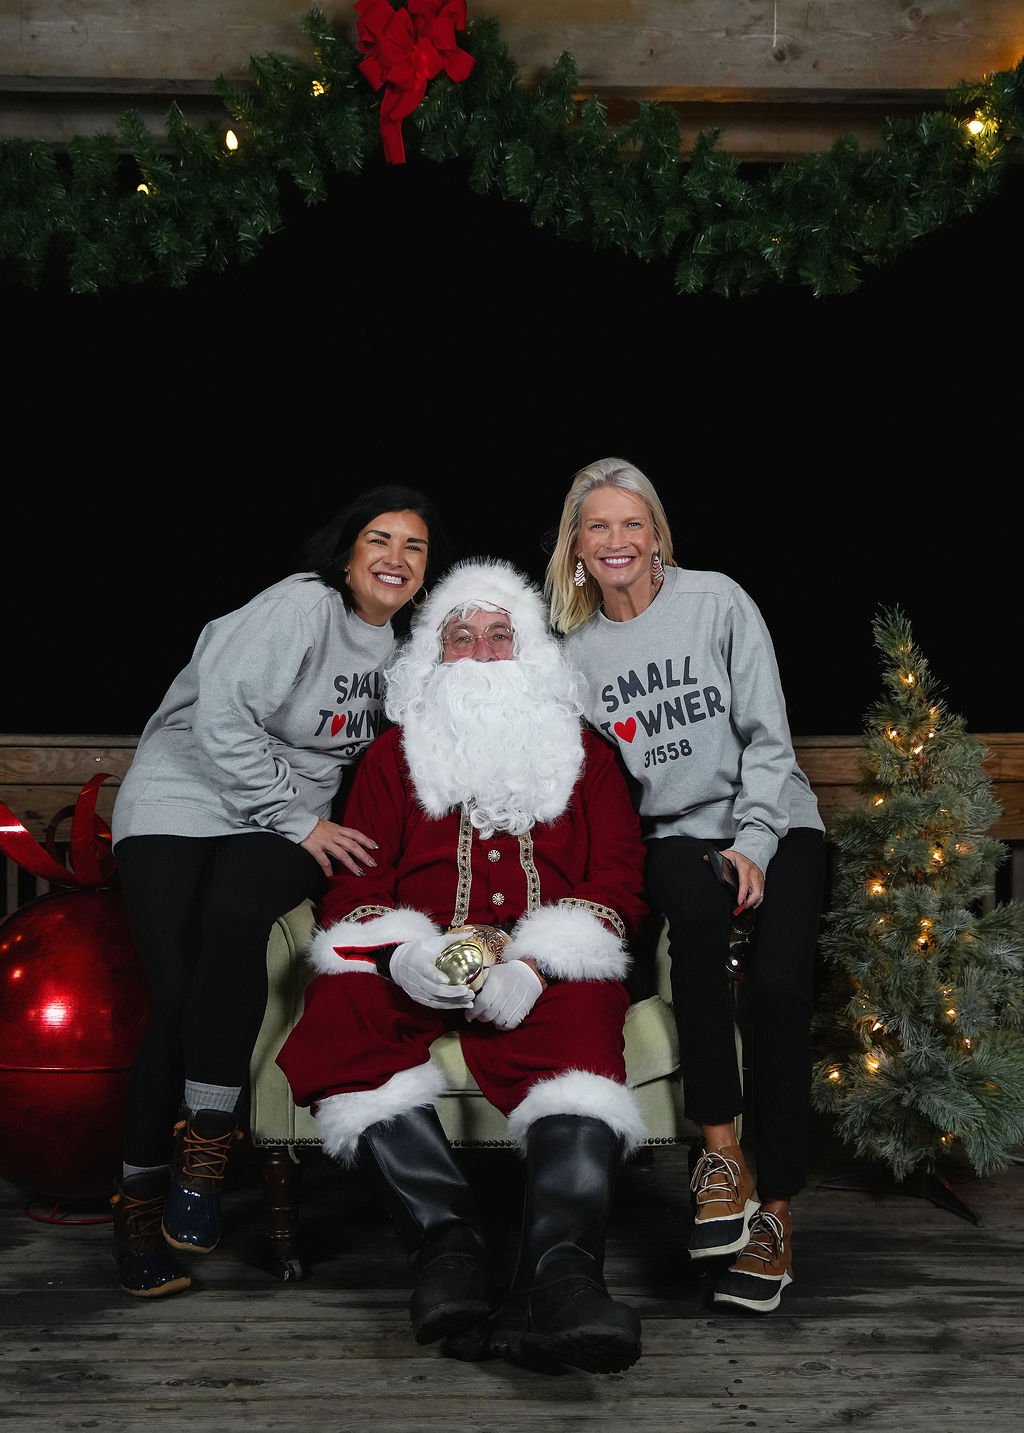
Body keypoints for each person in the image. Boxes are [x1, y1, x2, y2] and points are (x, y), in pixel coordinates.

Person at [275, 557, 650, 1375]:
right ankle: (447, 1248)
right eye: (461, 637)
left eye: (498, 636)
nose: (481, 653)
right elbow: (359, 879)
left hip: (537, 957)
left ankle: (563, 1276)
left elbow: (618, 873)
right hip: (420, 954)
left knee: (585, 1022)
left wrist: (542, 961)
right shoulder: (390, 759)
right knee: (342, 1012)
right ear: (433, 657)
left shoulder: (585, 752)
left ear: (531, 653)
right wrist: (403, 951)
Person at [108, 483, 450, 1299]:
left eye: (414, 546)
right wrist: (298, 820)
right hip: (183, 793)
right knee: (178, 991)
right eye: (380, 539)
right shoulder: (302, 607)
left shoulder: (403, 653)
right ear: (346, 552)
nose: (396, 558)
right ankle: (138, 1211)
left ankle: (207, 1145)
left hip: (280, 818)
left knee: (233, 923)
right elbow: (222, 717)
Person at [544, 457, 826, 1314]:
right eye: (599, 527)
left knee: (779, 985)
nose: (618, 539)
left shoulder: (718, 602)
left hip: (777, 819)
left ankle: (775, 1215)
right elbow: (595, 785)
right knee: (695, 929)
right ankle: (718, 1153)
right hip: (670, 837)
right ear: (578, 548)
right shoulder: (575, 652)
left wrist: (755, 842)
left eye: (633, 524)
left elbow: (768, 740)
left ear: (658, 535)